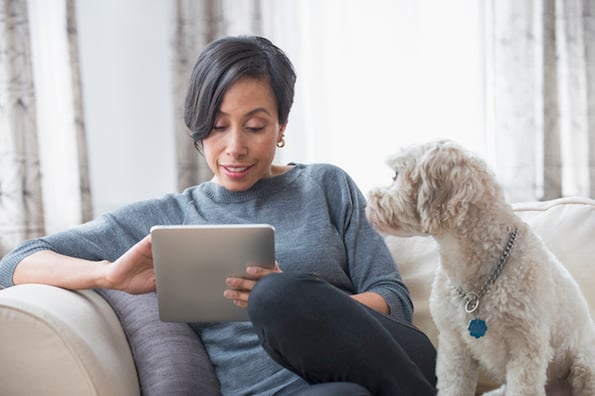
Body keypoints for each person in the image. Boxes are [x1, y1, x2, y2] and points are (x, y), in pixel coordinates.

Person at [0, 35, 437, 395]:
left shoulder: (324, 185)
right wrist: (109, 275)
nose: (234, 147)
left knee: (276, 297)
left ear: (281, 127)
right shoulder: (167, 217)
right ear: (197, 126)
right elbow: (14, 264)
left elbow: (393, 299)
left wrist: (306, 303)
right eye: (217, 125)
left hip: (389, 358)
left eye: (254, 126)